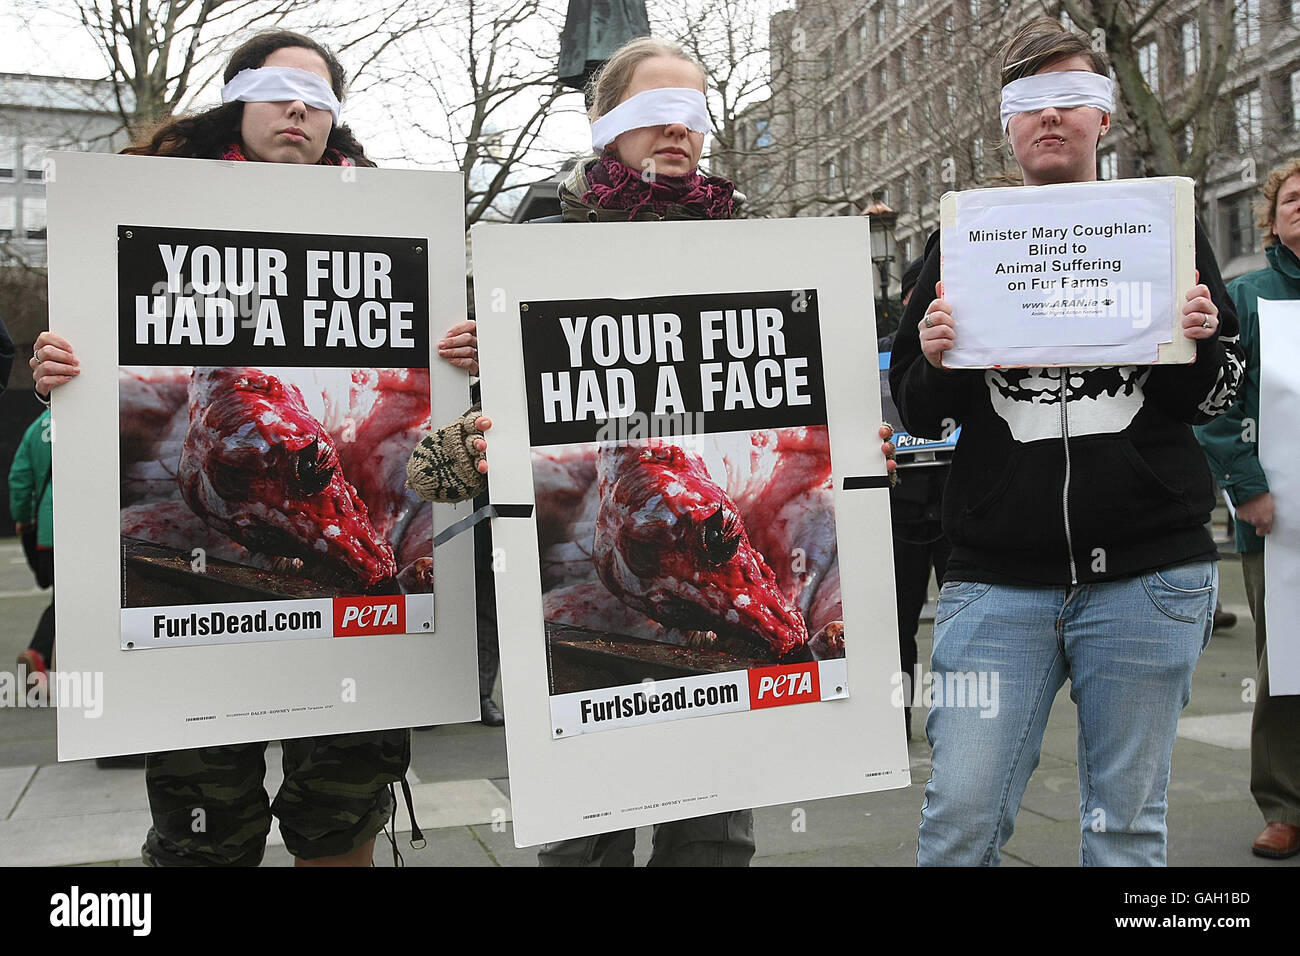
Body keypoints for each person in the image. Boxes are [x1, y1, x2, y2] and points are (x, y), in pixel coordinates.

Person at [30, 30, 490, 867]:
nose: (298, 107)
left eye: (320, 96)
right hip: (193, 617)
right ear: (236, 99)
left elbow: (417, 437)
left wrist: (458, 365)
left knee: (339, 822)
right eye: (278, 87)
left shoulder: (393, 233)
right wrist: (66, 371)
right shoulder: (145, 214)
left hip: (345, 615)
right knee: (205, 836)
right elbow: (117, 392)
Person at [528, 36, 896, 867]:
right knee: (585, 831)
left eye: (691, 113)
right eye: (651, 110)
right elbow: (463, 448)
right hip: (585, 588)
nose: (675, 130)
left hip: (714, 578)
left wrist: (854, 452)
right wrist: (469, 418)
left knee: (715, 833)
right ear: (602, 123)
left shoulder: (758, 249)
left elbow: (799, 403)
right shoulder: (537, 238)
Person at [890, 18, 1244, 866]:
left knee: (1127, 828)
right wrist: (938, 359)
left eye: (1072, 100)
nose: (1051, 118)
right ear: (1007, 124)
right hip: (994, 577)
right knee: (960, 820)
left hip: (1148, 571)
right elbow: (915, 413)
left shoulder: (1165, 226)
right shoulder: (954, 242)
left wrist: (1198, 340)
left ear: (1105, 119)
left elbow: (1214, 397)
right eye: (1030, 103)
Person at [1195, 158, 1300, 860]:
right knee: (1289, 661)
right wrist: (1248, 489)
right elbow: (1214, 407)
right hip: (1282, 521)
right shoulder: (1250, 297)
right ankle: (1286, 802)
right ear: (1272, 217)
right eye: (1294, 199)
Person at [880, 258, 950, 739]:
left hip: (952, 508)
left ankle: (959, 721)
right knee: (897, 627)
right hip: (899, 511)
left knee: (963, 628)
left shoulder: (962, 344)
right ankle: (895, 721)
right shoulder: (881, 356)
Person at [11, 408, 53, 692]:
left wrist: (23, 517)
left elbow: (20, 479)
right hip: (84, 526)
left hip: (47, 530)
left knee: (63, 595)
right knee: (72, 598)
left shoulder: (35, 427)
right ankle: (38, 652)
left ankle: (41, 655)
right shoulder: (89, 416)